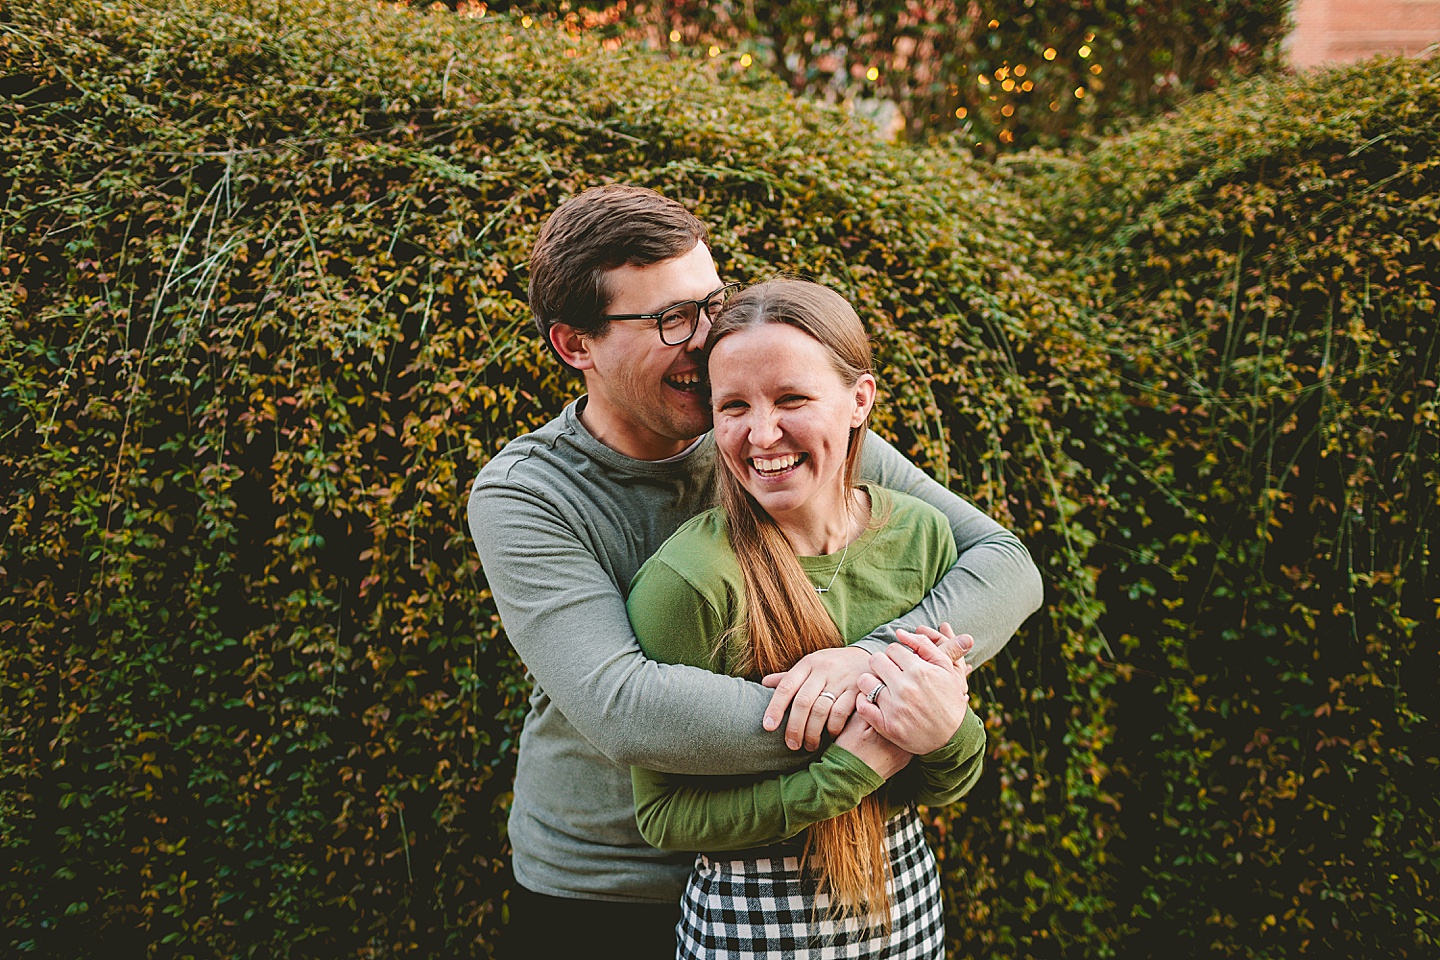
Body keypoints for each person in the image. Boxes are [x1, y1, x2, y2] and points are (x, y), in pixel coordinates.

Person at [467, 185, 1043, 955]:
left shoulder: (766, 430)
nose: (707, 340)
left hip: (795, 871)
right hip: (610, 884)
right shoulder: (528, 494)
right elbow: (625, 705)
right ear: (576, 344)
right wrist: (890, 711)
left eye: (710, 303)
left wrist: (870, 660)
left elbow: (1003, 564)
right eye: (671, 320)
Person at [627, 279, 981, 958]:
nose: (763, 434)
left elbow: (944, 782)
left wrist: (948, 731)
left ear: (859, 400)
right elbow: (663, 815)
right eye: (734, 406)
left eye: (792, 398)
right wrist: (843, 773)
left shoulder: (921, 536)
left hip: (903, 904)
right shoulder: (688, 581)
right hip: (749, 927)